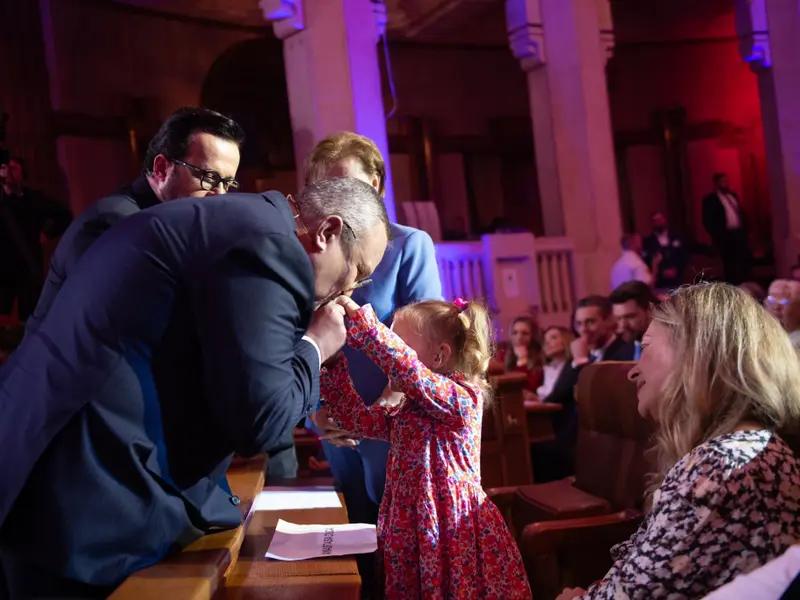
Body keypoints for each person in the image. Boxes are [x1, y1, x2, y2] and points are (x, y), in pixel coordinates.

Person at [0, 177, 390, 597]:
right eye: (358, 273)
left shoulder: (246, 222)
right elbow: (262, 422)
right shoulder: (271, 247)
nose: (351, 293)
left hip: (52, 455)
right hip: (85, 489)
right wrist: (316, 346)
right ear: (328, 231)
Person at [557, 283, 800, 600]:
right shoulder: (741, 449)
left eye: (645, 347)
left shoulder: (717, 468)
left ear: (696, 353)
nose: (633, 372)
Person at [303, 132, 442, 594]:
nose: (337, 201)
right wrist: (316, 411)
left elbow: (426, 340)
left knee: (402, 547)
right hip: (336, 423)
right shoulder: (313, 249)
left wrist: (387, 405)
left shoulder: (409, 245)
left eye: (350, 186)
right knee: (352, 544)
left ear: (377, 185)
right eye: (326, 189)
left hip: (393, 422)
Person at [320, 297, 532, 599]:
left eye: (399, 343)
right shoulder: (409, 408)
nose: (389, 353)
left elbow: (409, 372)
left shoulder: (461, 400)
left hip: (448, 530)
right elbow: (355, 419)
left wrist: (364, 326)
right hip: (409, 526)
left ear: (438, 357)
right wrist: (332, 361)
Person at [26, 107, 244, 336]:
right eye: (209, 178)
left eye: (227, 184)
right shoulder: (115, 223)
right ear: (161, 168)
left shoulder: (168, 222)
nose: (220, 196)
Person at [542, 296, 635, 480]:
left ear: (609, 321)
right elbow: (555, 396)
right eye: (579, 323)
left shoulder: (624, 351)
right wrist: (577, 363)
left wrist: (582, 363)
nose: (583, 329)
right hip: (578, 436)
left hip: (608, 437)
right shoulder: (582, 351)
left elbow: (601, 399)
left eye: (590, 322)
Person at [0, 156, 72, 320]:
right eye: (5, 168)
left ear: (22, 174)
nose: (8, 172)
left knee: (31, 317)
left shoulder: (34, 199)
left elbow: (64, 216)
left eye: (14, 169)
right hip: (2, 269)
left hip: (28, 268)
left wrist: (47, 234)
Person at [702, 173, 751, 284]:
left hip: (738, 234)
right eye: (722, 181)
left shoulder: (732, 196)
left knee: (742, 262)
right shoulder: (711, 199)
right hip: (725, 237)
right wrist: (718, 234)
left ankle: (744, 285)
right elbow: (707, 220)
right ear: (716, 183)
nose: (724, 184)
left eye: (726, 181)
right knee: (730, 265)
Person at [609, 280, 660, 358]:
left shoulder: (675, 347)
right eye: (618, 318)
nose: (623, 325)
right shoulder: (620, 354)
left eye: (630, 316)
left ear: (651, 311)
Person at [496, 315, 544, 393]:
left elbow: (527, 389)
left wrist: (522, 360)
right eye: (515, 333)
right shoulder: (502, 354)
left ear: (533, 336)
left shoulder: (540, 357)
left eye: (525, 333)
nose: (519, 337)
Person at [642, 211, 688, 290]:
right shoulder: (648, 241)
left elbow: (684, 256)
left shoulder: (676, 237)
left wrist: (676, 269)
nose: (659, 222)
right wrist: (661, 272)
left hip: (677, 280)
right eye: (656, 220)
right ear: (652, 223)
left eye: (661, 219)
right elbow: (647, 261)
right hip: (659, 282)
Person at [535, 326, 574, 400]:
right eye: (545, 340)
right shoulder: (544, 369)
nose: (547, 343)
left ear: (566, 340)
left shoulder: (572, 367)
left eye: (553, 338)